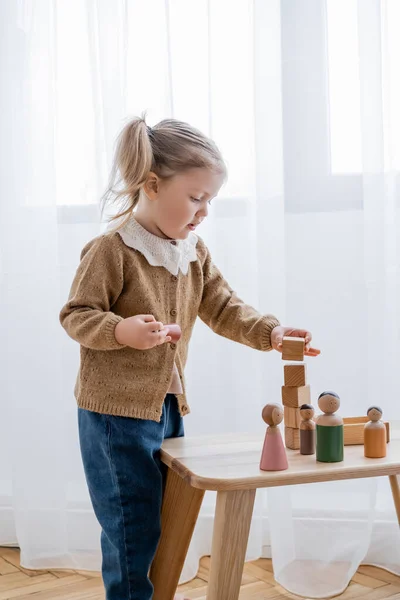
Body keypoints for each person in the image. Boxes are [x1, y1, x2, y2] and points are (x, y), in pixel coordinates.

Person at [59, 116, 320, 600]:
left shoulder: (192, 251)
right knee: (131, 527)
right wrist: (121, 330)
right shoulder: (111, 251)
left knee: (167, 518)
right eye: (196, 197)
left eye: (210, 201)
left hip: (167, 409)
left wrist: (273, 332)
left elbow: (222, 305)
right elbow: (77, 315)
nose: (203, 212)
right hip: (116, 414)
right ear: (152, 185)